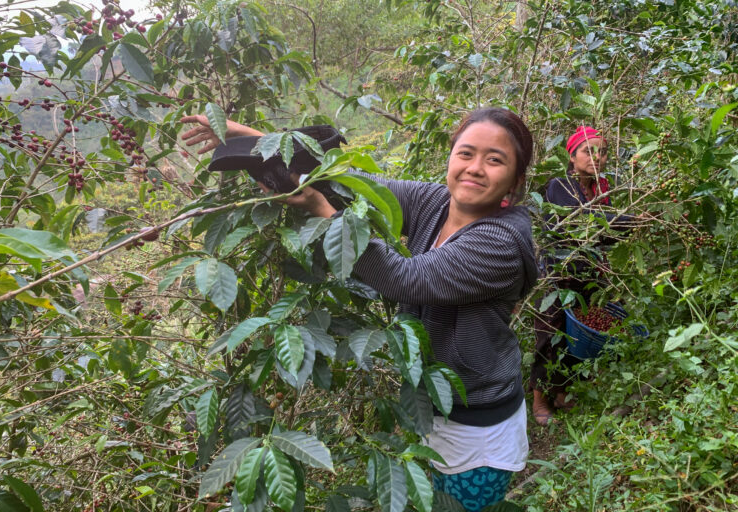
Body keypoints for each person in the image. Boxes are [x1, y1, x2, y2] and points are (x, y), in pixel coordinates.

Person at [182, 108, 538, 511]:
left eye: (495, 160)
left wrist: (326, 213)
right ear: (450, 157)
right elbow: (356, 186)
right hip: (430, 403)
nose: (475, 168)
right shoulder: (435, 202)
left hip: (478, 423)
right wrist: (251, 137)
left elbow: (405, 278)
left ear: (515, 179)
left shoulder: (500, 243)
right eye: (466, 153)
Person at [530, 126, 634, 425]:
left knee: (578, 336)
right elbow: (583, 223)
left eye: (602, 151)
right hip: (556, 274)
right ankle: (540, 398)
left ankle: (564, 392)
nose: (598, 157)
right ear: (572, 156)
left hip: (588, 274)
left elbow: (607, 234)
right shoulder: (559, 186)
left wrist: (631, 224)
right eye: (589, 151)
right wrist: (628, 220)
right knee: (549, 335)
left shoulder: (602, 190)